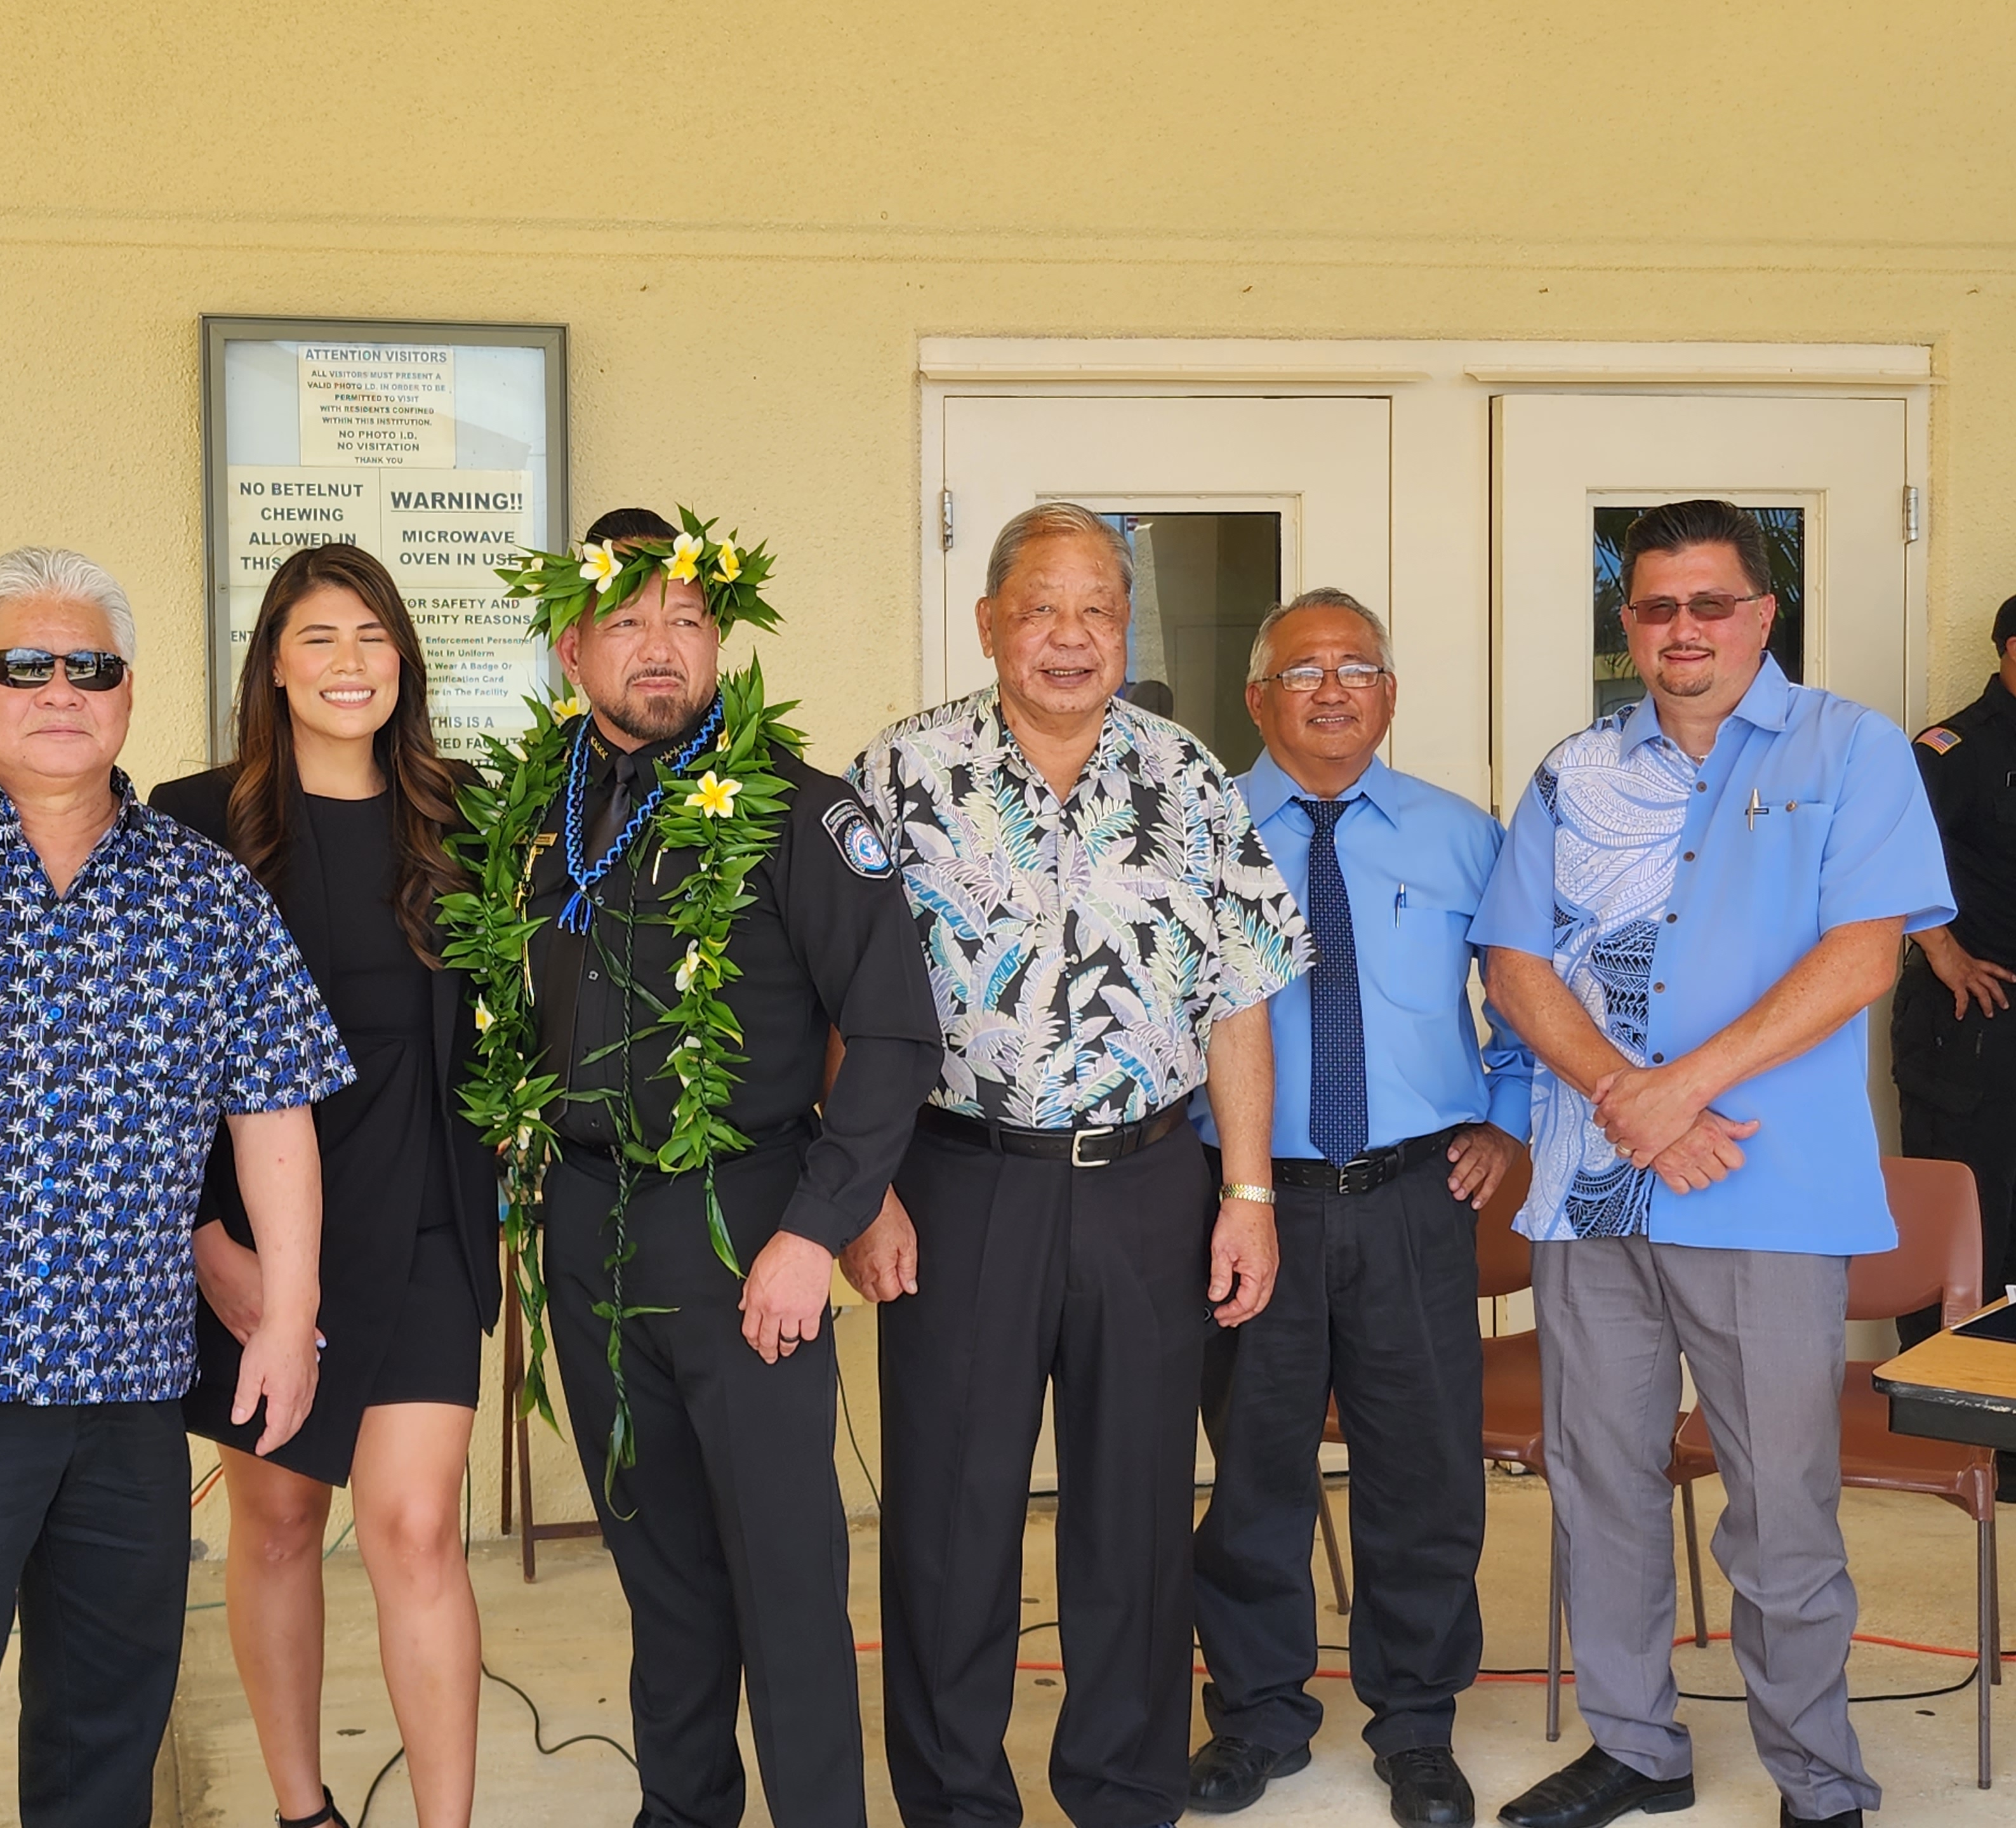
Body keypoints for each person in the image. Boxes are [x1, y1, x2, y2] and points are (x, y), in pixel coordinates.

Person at [0, 546, 350, 1828]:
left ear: (128, 696)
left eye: (88, 667)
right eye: (22, 665)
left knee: (110, 1725)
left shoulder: (206, 894)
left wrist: (284, 1312)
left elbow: (275, 1113)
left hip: (127, 1394)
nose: (58, 691)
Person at [445, 505, 941, 1828]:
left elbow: (893, 1034)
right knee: (659, 1573)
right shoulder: (526, 815)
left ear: (720, 639)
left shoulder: (795, 809)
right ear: (571, 650)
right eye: (628, 624)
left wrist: (814, 1226)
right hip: (588, 1223)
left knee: (782, 1576)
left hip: (746, 1226)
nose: (660, 649)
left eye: (685, 621)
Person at [1474, 500, 1953, 1828]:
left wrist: (1673, 1090)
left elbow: (1861, 956)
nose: (1680, 629)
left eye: (1708, 603)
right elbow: (1513, 966)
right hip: (1590, 1189)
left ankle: (1815, 1778)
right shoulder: (1574, 771)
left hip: (1764, 1189)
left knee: (1778, 1501)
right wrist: (1629, 1106)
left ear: (1759, 612)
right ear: (1627, 625)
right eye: (1653, 607)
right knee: (1600, 1481)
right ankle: (1634, 1749)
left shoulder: (1847, 750)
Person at [843, 500, 1309, 1828]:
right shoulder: (896, 773)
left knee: (1136, 1516)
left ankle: (1120, 1792)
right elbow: (839, 1001)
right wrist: (861, 1191)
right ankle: (953, 1803)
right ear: (988, 621)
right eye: (1038, 606)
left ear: (1124, 628)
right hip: (954, 1183)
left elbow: (1240, 999)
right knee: (949, 1517)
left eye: (1096, 608)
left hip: (1148, 1186)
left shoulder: (1188, 778)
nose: (1068, 634)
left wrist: (1249, 1197)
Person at [151, 543, 500, 1828]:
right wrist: (205, 1242)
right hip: (258, 1234)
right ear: (273, 666)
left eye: (370, 636)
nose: (349, 663)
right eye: (318, 639)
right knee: (284, 1520)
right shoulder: (195, 820)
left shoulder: (461, 812)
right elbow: (156, 1052)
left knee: (414, 1528)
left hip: (422, 1220)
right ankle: (303, 1808)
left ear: (402, 659)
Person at [1186, 587, 1531, 1828]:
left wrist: (1507, 1112)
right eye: (1301, 670)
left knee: (1423, 1473)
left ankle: (1418, 1725)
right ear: (1255, 696)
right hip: (1247, 1203)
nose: (1330, 689)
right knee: (1253, 1477)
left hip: (1411, 1199)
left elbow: (1529, 992)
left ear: (1388, 693)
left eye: (1356, 668)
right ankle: (1257, 1718)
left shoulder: (1458, 836)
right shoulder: (1196, 830)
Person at [1893, 591, 2016, 1360]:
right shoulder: (1955, 750)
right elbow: (1882, 852)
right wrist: (1942, 951)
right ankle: (1946, 1423)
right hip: (1970, 1023)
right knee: (1969, 1225)